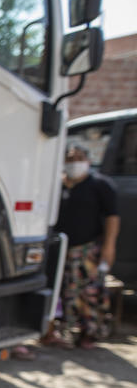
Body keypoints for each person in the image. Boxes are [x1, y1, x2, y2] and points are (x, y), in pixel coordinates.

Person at [41, 145, 120, 349]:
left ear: (87, 159)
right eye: (70, 158)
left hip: (87, 249)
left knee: (90, 292)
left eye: (79, 157)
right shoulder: (59, 185)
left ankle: (89, 333)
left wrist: (109, 247)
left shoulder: (100, 185)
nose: (74, 162)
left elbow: (112, 217)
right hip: (61, 249)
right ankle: (57, 331)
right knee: (62, 291)